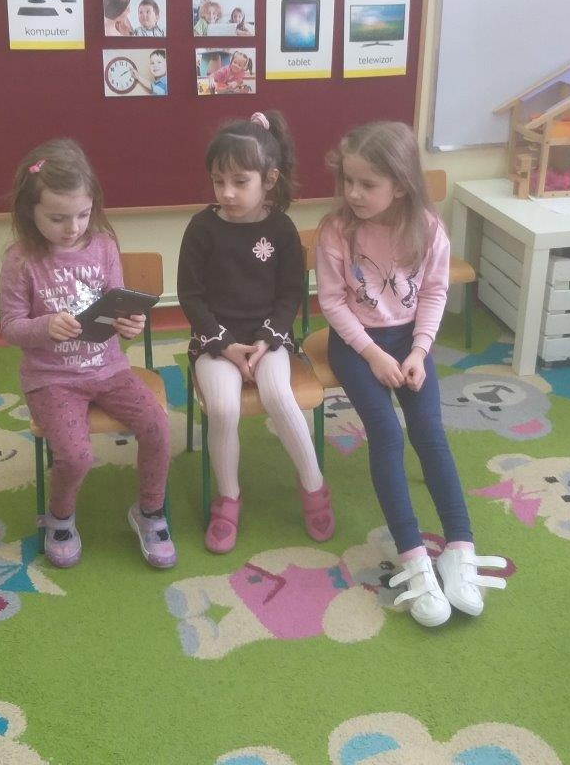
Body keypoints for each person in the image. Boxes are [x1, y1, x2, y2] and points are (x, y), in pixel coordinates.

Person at [315, 121, 506, 628]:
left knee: (429, 433)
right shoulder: (336, 230)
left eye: (367, 184)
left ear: (400, 185)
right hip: (356, 343)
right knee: (386, 433)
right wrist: (372, 355)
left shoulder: (426, 226)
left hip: (408, 342)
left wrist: (419, 351)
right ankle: (414, 557)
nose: (353, 193)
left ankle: (459, 548)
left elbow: (435, 292)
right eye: (348, 181)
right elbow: (332, 302)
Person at [0, 139, 175, 569]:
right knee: (76, 456)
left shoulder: (103, 245)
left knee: (158, 426)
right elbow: (10, 327)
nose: (72, 227)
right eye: (57, 218)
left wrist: (130, 324)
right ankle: (60, 518)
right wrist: (45, 326)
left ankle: (150, 512)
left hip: (109, 368)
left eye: (82, 214)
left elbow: (116, 304)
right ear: (30, 211)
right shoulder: (20, 259)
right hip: (52, 378)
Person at [177, 111, 333, 554]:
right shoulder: (202, 228)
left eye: (239, 182)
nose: (226, 192)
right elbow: (190, 296)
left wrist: (266, 339)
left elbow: (290, 293)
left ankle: (314, 486)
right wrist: (225, 345)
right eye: (218, 181)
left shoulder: (280, 228)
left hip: (269, 338)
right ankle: (228, 498)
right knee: (223, 409)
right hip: (215, 342)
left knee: (280, 396)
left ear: (269, 179)